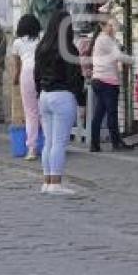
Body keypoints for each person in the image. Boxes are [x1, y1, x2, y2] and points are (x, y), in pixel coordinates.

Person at [34, 10, 85, 195]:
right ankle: (56, 182)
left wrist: (39, 92)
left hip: (45, 96)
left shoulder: (42, 47)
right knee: (59, 143)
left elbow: (36, 75)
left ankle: (47, 181)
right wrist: (81, 101)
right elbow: (75, 78)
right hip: (63, 95)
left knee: (48, 141)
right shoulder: (69, 49)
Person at [89, 18, 133, 152]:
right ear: (102, 26)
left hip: (99, 79)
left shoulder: (104, 39)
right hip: (107, 81)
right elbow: (118, 56)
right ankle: (116, 142)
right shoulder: (104, 39)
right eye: (110, 26)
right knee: (111, 112)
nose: (113, 28)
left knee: (99, 113)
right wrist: (134, 59)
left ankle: (95, 143)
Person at [10, 14, 41, 160]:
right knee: (45, 112)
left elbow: (17, 66)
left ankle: (32, 148)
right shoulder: (41, 39)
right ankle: (49, 145)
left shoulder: (17, 43)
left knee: (31, 113)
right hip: (42, 74)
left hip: (26, 74)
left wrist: (15, 80)